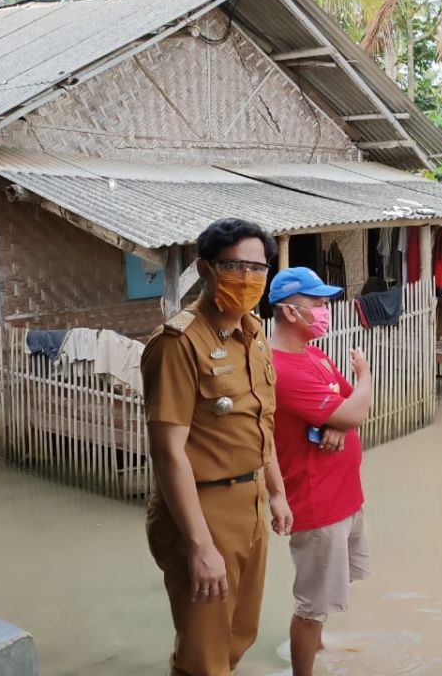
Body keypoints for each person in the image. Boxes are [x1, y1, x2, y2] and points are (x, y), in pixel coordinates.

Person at [142, 217, 293, 676]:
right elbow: (169, 454)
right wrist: (199, 544)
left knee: (237, 635)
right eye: (235, 266)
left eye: (258, 268)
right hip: (202, 509)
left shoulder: (254, 335)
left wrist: (278, 492)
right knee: (203, 655)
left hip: (249, 504)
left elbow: (261, 425)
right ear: (204, 269)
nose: (248, 279)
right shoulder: (178, 344)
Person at [268, 267, 373, 676]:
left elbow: (350, 411)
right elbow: (356, 405)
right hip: (317, 502)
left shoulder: (312, 353)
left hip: (344, 495)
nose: (325, 310)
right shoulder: (284, 369)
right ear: (290, 312)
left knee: (325, 596)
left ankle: (318, 648)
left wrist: (336, 422)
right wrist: (364, 376)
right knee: (311, 605)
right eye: (318, 303)